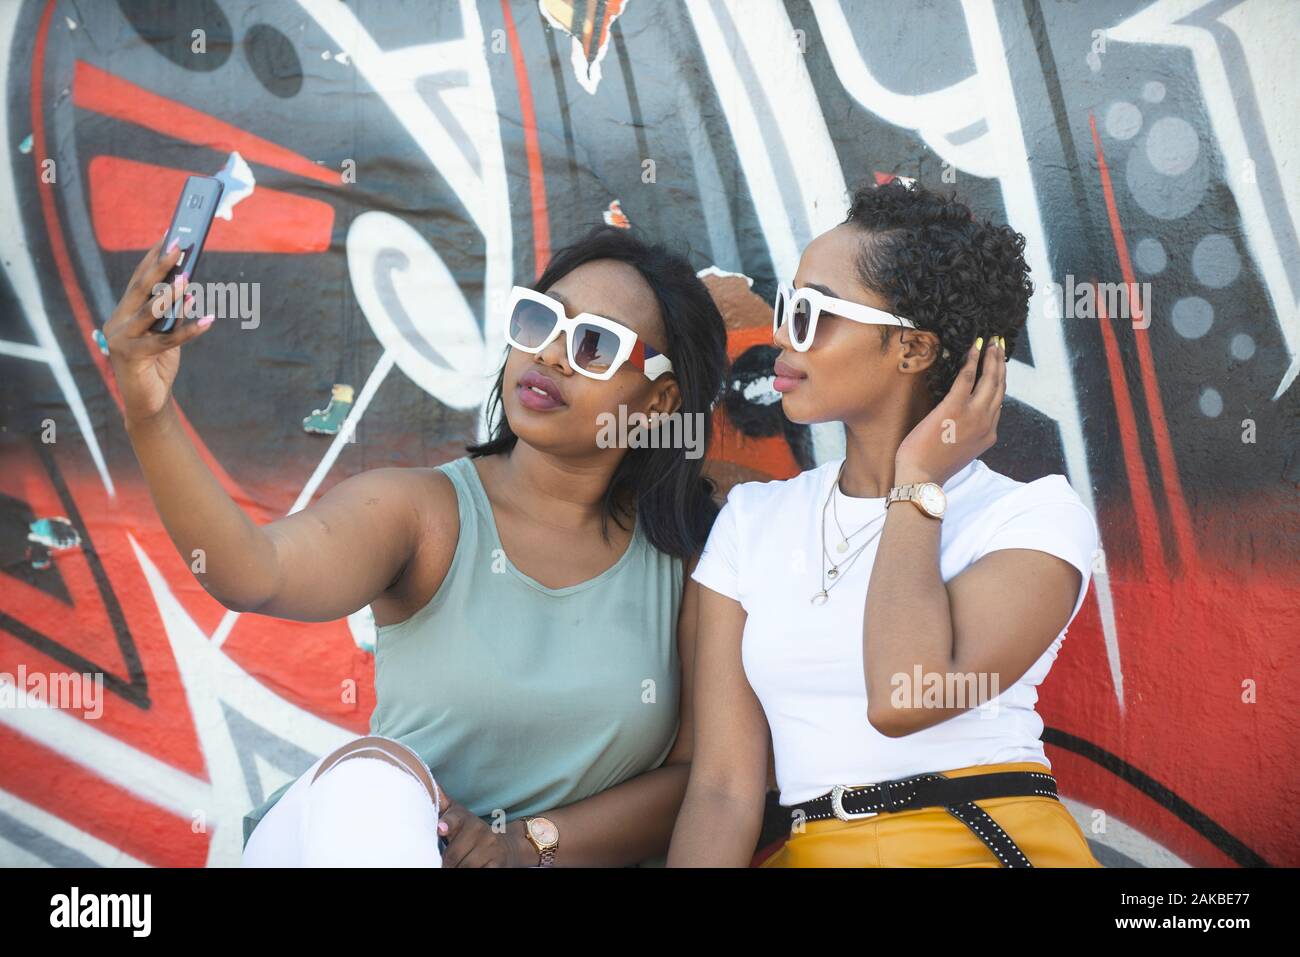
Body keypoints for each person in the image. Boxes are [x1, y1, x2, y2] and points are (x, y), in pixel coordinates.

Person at [104, 224, 726, 866]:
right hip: (366, 844)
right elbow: (251, 572)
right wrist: (149, 415)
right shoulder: (422, 512)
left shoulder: (690, 562)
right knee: (374, 781)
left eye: (596, 344)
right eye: (540, 321)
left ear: (659, 400)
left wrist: (524, 847)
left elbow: (699, 778)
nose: (552, 354)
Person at [668, 179, 1102, 868]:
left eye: (811, 314)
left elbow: (904, 695)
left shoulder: (1034, 518)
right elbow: (724, 789)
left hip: (974, 839)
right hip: (814, 850)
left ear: (913, 350)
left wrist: (917, 485)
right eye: (788, 305)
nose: (782, 334)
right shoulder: (752, 522)